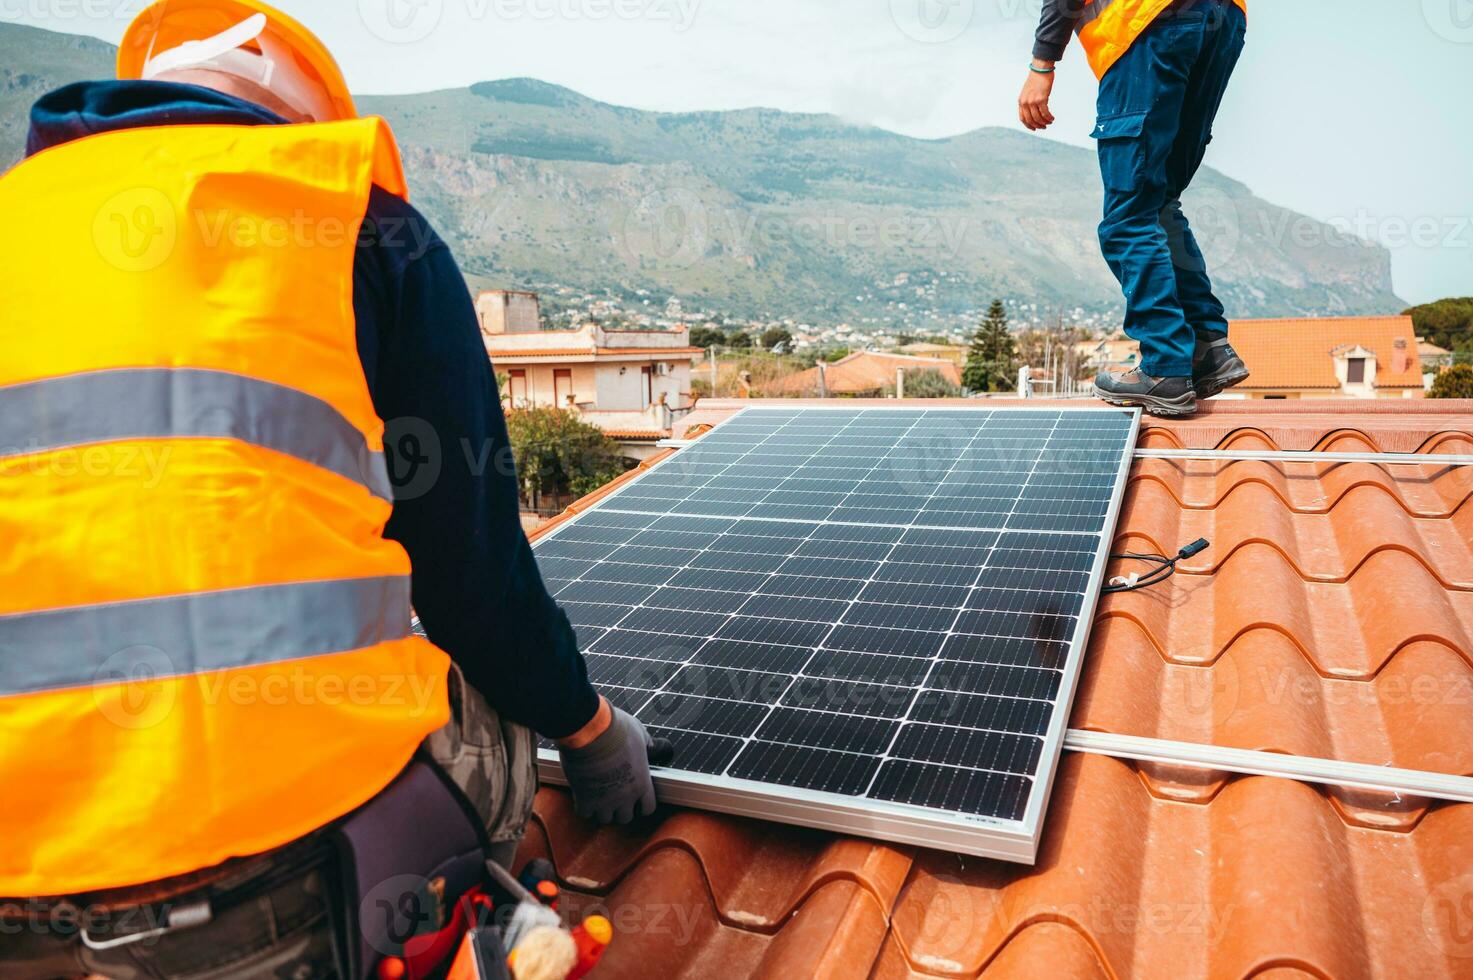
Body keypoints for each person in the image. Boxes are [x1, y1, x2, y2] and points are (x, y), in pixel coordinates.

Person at [0, 1, 659, 975]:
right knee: (480, 689)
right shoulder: (357, 220)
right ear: (302, 128)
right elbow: (474, 587)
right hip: (267, 874)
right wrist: (593, 734)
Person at [1019, 0, 1252, 417]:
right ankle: (1206, 347)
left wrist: (1042, 65)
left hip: (1147, 24)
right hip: (1222, 21)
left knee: (1128, 219)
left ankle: (1164, 366)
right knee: (1158, 202)